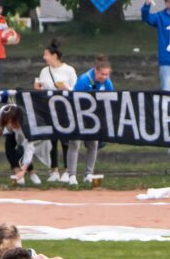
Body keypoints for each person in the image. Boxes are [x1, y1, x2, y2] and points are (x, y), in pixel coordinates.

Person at [32, 40, 77, 182]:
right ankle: (54, 170)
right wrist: (38, 90)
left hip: (64, 109)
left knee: (65, 140)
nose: (44, 57)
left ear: (54, 55)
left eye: (46, 54)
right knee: (52, 140)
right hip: (49, 109)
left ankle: (67, 170)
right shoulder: (44, 71)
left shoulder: (69, 70)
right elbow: (42, 89)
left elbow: (76, 89)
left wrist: (66, 88)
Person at [66, 55, 113, 184]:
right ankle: (72, 176)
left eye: (106, 75)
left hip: (94, 118)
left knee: (93, 144)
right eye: (102, 74)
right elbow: (73, 100)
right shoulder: (83, 80)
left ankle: (88, 174)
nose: (104, 77)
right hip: (78, 116)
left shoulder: (107, 83)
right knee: (75, 144)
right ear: (95, 71)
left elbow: (111, 100)